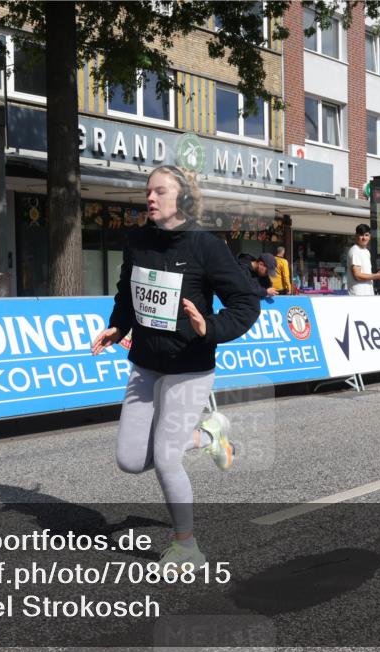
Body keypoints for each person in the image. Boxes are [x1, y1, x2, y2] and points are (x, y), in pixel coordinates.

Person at [91, 166, 260, 569]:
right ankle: (207, 434)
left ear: (182, 198)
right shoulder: (137, 242)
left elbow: (245, 303)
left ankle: (188, 548)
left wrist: (210, 327)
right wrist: (118, 327)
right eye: (148, 192)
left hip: (190, 365)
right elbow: (126, 294)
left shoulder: (206, 246)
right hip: (146, 364)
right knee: (131, 460)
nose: (150, 198)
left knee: (166, 457)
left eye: (160, 192)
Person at [345, 223, 380, 295]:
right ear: (356, 236)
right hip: (358, 295)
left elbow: (365, 274)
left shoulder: (366, 251)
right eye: (361, 235)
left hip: (367, 293)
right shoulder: (355, 251)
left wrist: (377, 275)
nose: (364, 238)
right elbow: (357, 276)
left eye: (366, 235)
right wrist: (378, 276)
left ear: (369, 236)